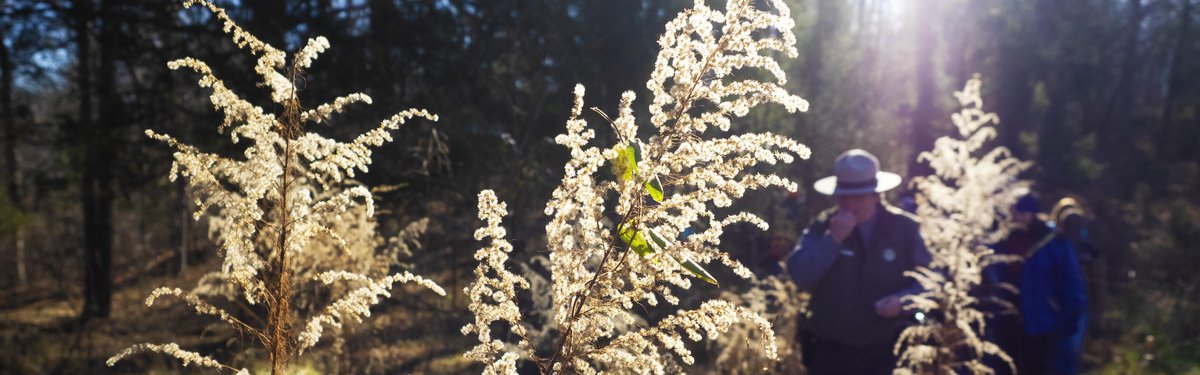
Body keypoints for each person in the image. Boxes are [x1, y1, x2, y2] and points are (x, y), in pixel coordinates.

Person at [786, 149, 931, 375]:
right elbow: (800, 276)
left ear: (876, 194)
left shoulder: (905, 229)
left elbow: (932, 281)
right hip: (829, 354)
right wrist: (832, 240)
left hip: (887, 353)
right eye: (844, 196)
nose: (850, 204)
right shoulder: (823, 227)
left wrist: (904, 302)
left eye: (859, 196)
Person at [993, 192, 1088, 375]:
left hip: (1043, 321)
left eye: (1020, 212)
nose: (1015, 216)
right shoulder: (1003, 239)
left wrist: (1070, 315)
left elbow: (1072, 282)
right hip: (1009, 318)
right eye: (1013, 212)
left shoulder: (1053, 241)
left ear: (1031, 213)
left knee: (1040, 367)